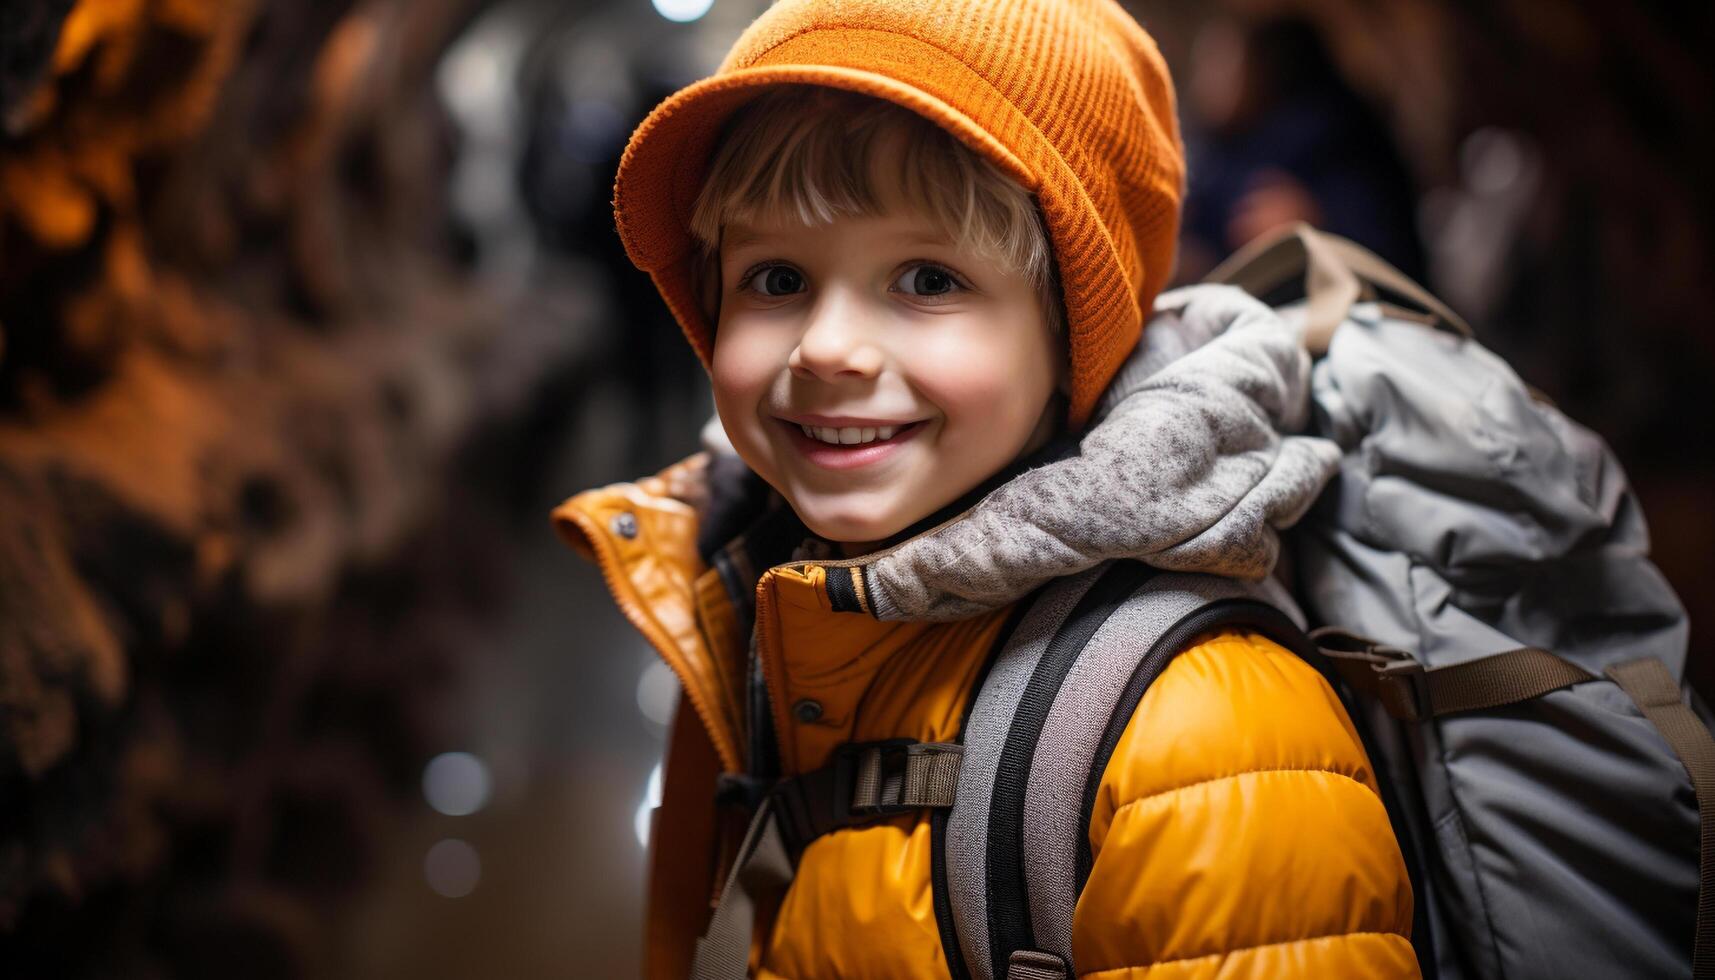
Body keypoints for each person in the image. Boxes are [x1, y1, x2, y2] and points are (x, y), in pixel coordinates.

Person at [552, 0, 1417, 976]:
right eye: (776, 276)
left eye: (926, 280)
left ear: (1069, 336)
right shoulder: (795, 602)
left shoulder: (1201, 737)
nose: (827, 348)